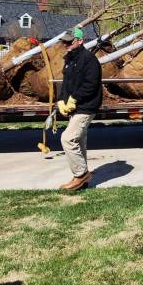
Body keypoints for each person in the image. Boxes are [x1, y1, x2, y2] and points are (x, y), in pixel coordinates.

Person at [55, 27, 102, 191]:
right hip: (75, 107)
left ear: (80, 41)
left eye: (69, 42)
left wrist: (74, 98)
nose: (66, 45)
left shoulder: (89, 59)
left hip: (86, 107)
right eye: (65, 42)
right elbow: (67, 84)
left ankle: (81, 174)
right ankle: (83, 181)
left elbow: (91, 85)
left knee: (67, 139)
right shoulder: (69, 59)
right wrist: (61, 100)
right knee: (80, 143)